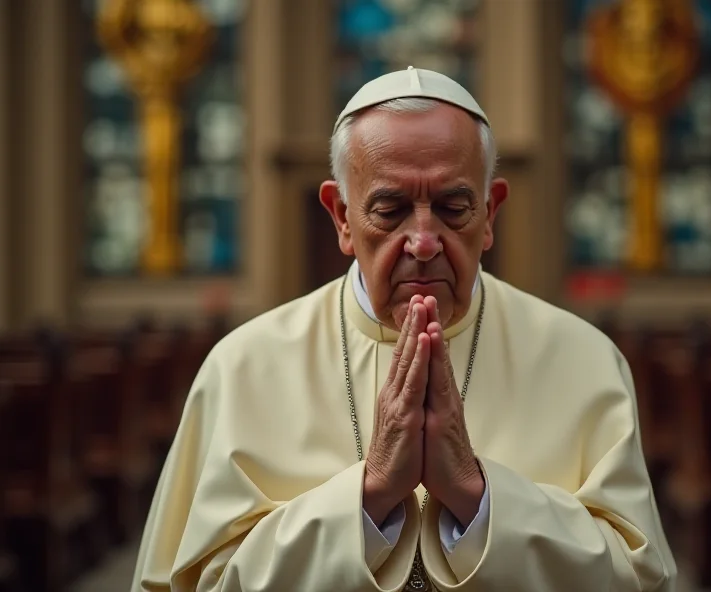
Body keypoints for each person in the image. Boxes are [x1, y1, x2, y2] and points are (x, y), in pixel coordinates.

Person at [131, 67, 677, 591]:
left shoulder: (583, 361)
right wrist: (368, 496)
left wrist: (475, 493)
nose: (423, 240)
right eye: (390, 209)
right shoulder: (244, 367)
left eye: (453, 206)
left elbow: (636, 577)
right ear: (341, 216)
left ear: (491, 211)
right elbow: (200, 582)